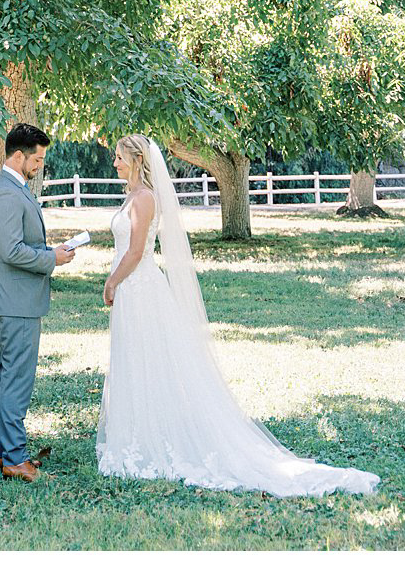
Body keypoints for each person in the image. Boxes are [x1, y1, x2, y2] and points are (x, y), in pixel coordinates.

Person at [94, 135, 379, 496]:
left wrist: (111, 282)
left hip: (140, 288)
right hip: (133, 292)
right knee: (135, 361)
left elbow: (135, 252)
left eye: (119, 158)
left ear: (136, 160)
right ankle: (138, 435)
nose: (115, 163)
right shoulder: (132, 197)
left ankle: (153, 441)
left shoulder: (145, 199)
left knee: (150, 360)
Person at [0, 122, 76, 482]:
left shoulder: (14, 187)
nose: (40, 165)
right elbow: (10, 251)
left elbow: (20, 243)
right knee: (16, 381)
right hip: (16, 300)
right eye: (37, 159)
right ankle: (15, 459)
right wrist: (51, 258)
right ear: (18, 156)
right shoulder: (7, 191)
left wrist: (52, 251)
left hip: (17, 298)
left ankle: (0, 454)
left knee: (7, 378)